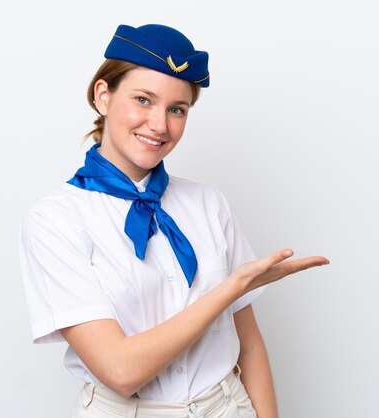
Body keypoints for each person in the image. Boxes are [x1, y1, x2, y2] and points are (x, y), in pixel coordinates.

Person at [19, 23, 329, 418]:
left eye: (177, 109)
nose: (160, 125)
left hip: (228, 407)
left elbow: (248, 345)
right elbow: (120, 370)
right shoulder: (54, 221)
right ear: (103, 95)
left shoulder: (209, 203)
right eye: (143, 100)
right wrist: (229, 289)